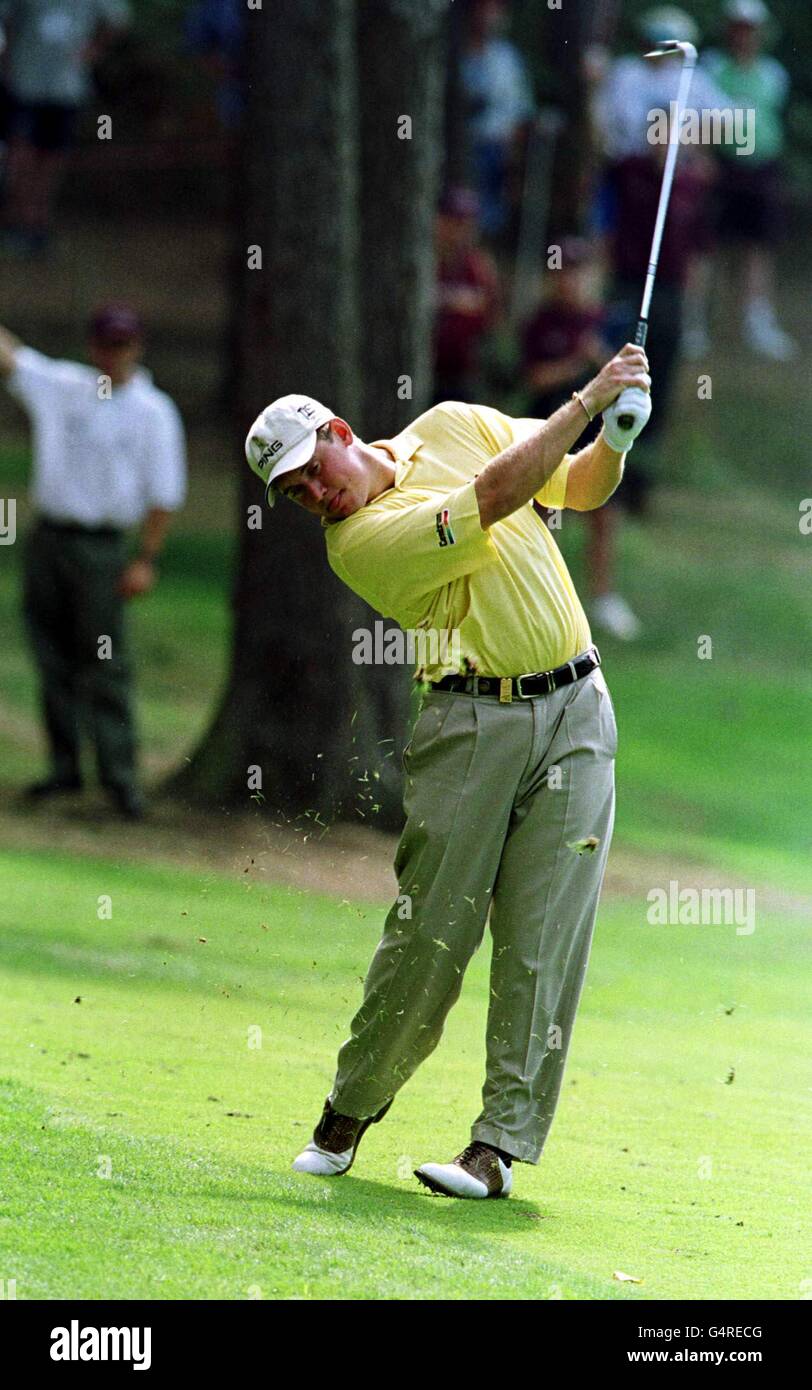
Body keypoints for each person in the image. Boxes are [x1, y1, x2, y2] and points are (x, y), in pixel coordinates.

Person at [245, 336, 652, 1200]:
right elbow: (501, 494)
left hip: (580, 707)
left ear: (341, 432)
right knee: (433, 933)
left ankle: (496, 1150)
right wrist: (588, 397)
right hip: (471, 722)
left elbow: (571, 485)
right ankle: (349, 1109)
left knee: (546, 942)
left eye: (311, 471)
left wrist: (614, 435)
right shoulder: (359, 542)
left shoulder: (454, 423)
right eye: (293, 494)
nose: (314, 495)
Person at [0, 305, 186, 818]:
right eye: (106, 345)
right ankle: (64, 768)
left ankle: (120, 777)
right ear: (93, 347)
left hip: (103, 547)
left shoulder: (153, 412)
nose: (113, 356)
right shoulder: (65, 386)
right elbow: (12, 359)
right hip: (50, 538)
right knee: (50, 654)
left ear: (137, 348)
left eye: (122, 346)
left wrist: (146, 557)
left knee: (104, 662)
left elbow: (164, 493)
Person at [522, 236, 641, 640]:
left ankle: (603, 598)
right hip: (548, 429)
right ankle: (540, 594)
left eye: (576, 272)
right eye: (561, 272)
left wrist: (598, 358)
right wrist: (577, 365)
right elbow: (534, 377)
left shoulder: (608, 322)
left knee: (604, 513)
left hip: (596, 434)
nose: (568, 280)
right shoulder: (541, 323)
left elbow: (628, 380)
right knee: (543, 514)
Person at [700, 0, 796, 360]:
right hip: (721, 165)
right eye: (738, 28)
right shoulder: (712, 67)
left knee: (758, 244)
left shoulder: (773, 74)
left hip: (762, 167)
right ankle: (697, 323)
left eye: (750, 29)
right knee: (707, 243)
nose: (744, 36)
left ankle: (756, 321)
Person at [0, 0, 131, 255]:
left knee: (52, 155)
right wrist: (8, 58)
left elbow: (118, 19)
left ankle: (38, 223)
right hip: (24, 83)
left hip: (66, 88)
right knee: (21, 153)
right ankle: (19, 220)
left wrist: (92, 51)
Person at [460, 0, 535, 241]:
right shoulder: (458, 54)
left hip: (498, 149)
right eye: (484, 9)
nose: (489, 16)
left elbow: (521, 111)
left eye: (495, 10)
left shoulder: (508, 58)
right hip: (464, 147)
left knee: (492, 217)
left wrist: (515, 159)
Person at [432, 186, 500, 405]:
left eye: (466, 223)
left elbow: (491, 314)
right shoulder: (424, 261)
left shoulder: (478, 266)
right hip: (424, 370)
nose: (460, 230)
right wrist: (449, 299)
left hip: (462, 375)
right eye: (454, 221)